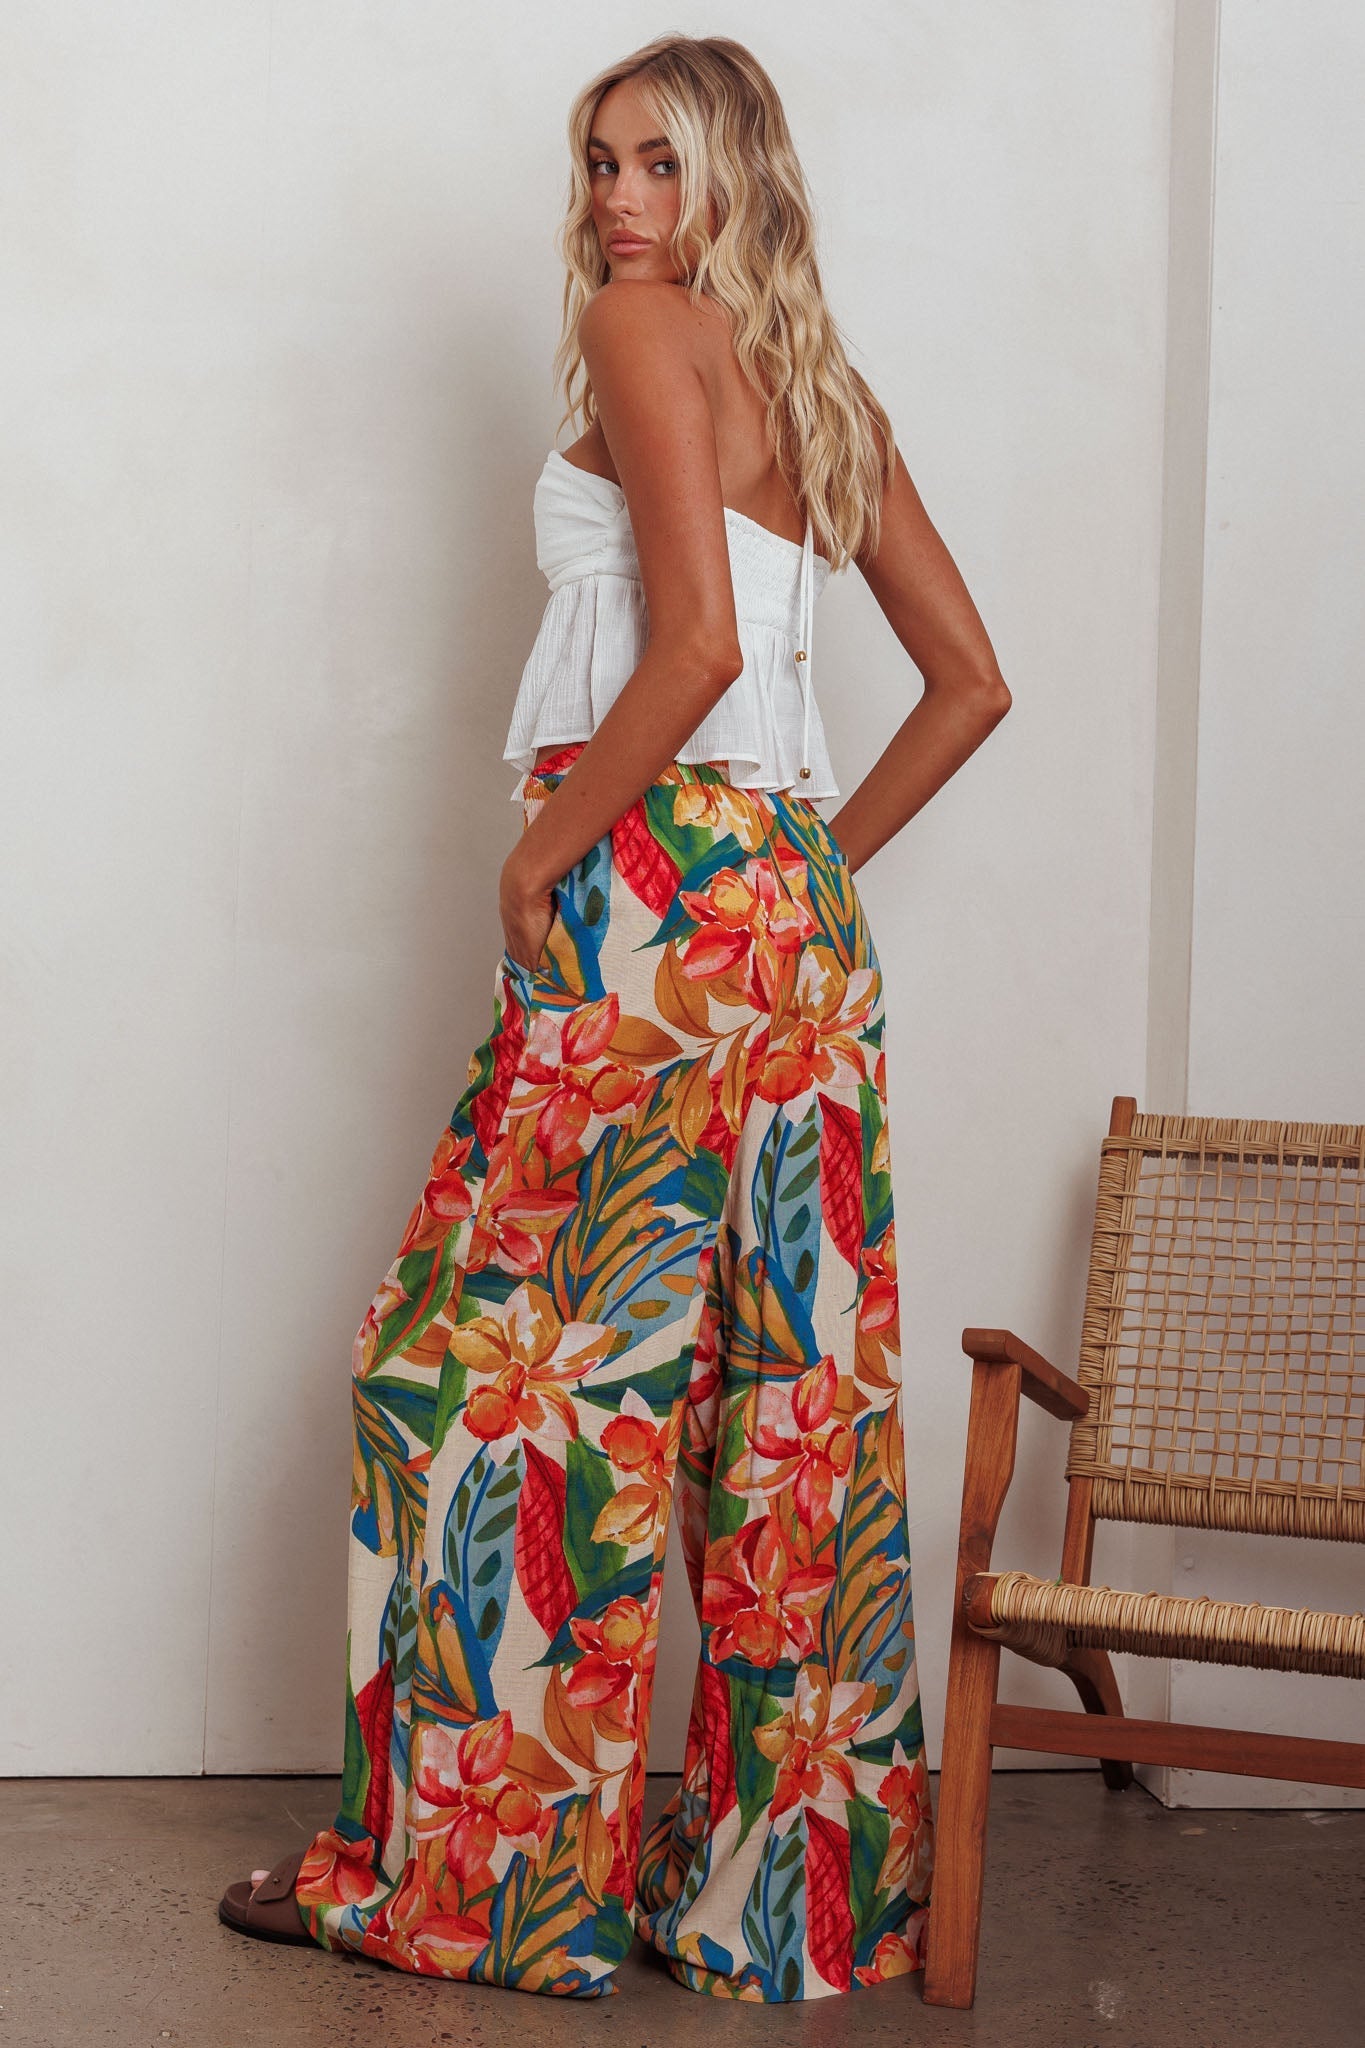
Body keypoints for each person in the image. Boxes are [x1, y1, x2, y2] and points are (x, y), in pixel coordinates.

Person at [218, 31, 1010, 2002]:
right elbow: (970, 682)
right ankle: (780, 1902)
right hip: (790, 932)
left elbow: (700, 644)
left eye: (657, 160)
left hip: (649, 898)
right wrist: (797, 865)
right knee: (783, 1402)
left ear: (734, 174)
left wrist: (543, 856)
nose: (617, 201)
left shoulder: (639, 329)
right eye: (596, 164)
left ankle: (483, 1880)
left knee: (480, 1375)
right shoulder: (817, 390)